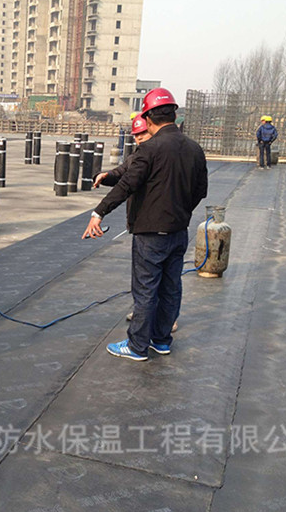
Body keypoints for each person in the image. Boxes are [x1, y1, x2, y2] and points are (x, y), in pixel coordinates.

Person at [83, 88, 207, 362]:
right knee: (170, 287)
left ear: (149, 118)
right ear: (174, 115)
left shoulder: (150, 149)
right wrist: (180, 212)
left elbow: (127, 185)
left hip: (151, 235)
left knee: (146, 289)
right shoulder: (194, 149)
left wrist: (98, 213)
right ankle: (161, 340)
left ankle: (137, 345)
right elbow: (200, 190)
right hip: (178, 232)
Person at [93, 113, 178, 331]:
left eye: (142, 133)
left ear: (152, 127)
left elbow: (127, 184)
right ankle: (151, 320)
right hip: (164, 226)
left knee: (153, 282)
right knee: (155, 281)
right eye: (136, 135)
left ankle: (148, 331)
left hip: (153, 228)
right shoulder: (141, 154)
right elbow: (124, 172)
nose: (139, 138)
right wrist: (107, 176)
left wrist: (99, 213)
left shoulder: (158, 154)